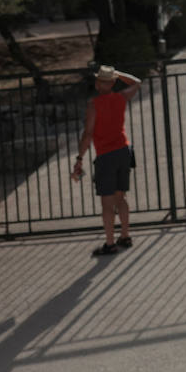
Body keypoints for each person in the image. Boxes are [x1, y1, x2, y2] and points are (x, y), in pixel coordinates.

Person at [72, 65, 141, 256]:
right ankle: (125, 236)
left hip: (106, 156)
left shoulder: (94, 105)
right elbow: (137, 82)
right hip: (123, 151)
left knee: (107, 203)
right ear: (112, 83)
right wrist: (119, 74)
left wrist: (79, 158)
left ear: (97, 84)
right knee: (121, 198)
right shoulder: (121, 98)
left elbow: (88, 134)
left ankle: (110, 243)